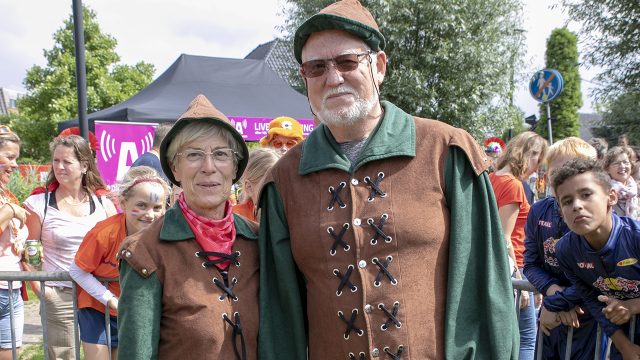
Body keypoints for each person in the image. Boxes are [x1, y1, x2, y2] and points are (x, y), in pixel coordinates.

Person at [258, 1, 518, 359]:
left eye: (348, 62)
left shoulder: (446, 151)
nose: (333, 78)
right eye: (316, 68)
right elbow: (280, 317)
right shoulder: (283, 181)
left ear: (378, 66)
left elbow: (485, 289)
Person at [117, 94, 259, 359]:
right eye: (194, 155)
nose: (209, 167)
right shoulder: (146, 251)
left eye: (220, 154)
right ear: (175, 168)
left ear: (235, 166)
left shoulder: (257, 241)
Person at [23, 135, 117, 360]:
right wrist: (42, 290)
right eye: (56, 161)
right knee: (64, 356)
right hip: (60, 293)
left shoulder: (104, 204)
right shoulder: (38, 204)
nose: (59, 167)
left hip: (97, 293)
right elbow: (29, 251)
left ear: (84, 165)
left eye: (66, 161)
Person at [68, 166, 169, 360]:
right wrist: (110, 300)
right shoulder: (105, 233)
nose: (150, 214)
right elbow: (77, 270)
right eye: (142, 205)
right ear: (123, 202)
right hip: (97, 309)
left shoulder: (162, 234)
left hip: (133, 310)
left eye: (157, 208)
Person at [523, 137, 603, 359]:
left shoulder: (593, 217)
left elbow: (596, 274)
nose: (563, 178)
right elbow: (530, 263)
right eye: (557, 171)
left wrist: (555, 305)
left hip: (587, 319)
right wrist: (553, 293)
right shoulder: (538, 211)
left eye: (573, 171)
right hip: (551, 319)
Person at [553, 158, 640, 359]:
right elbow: (592, 299)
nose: (576, 206)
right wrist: (624, 345)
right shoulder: (566, 250)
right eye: (567, 201)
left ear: (611, 197)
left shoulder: (635, 238)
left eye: (586, 195)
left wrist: (632, 306)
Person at [489, 131, 547, 360]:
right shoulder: (512, 185)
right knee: (526, 339)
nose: (537, 167)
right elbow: (504, 238)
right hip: (514, 269)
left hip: (501, 267)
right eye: (537, 159)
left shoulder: (493, 178)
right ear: (527, 154)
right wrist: (518, 279)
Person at [0, 125, 28, 359]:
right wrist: (8, 212)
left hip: (13, 289)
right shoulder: (9, 203)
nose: (15, 165)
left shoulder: (8, 195)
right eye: (9, 157)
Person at [233, 148, 280, 222]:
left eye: (281, 183)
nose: (277, 190)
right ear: (249, 187)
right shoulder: (235, 220)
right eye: (270, 185)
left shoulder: (289, 216)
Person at [603, 146, 638, 219]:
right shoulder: (605, 192)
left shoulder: (635, 191)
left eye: (626, 162)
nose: (622, 166)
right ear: (607, 169)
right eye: (617, 163)